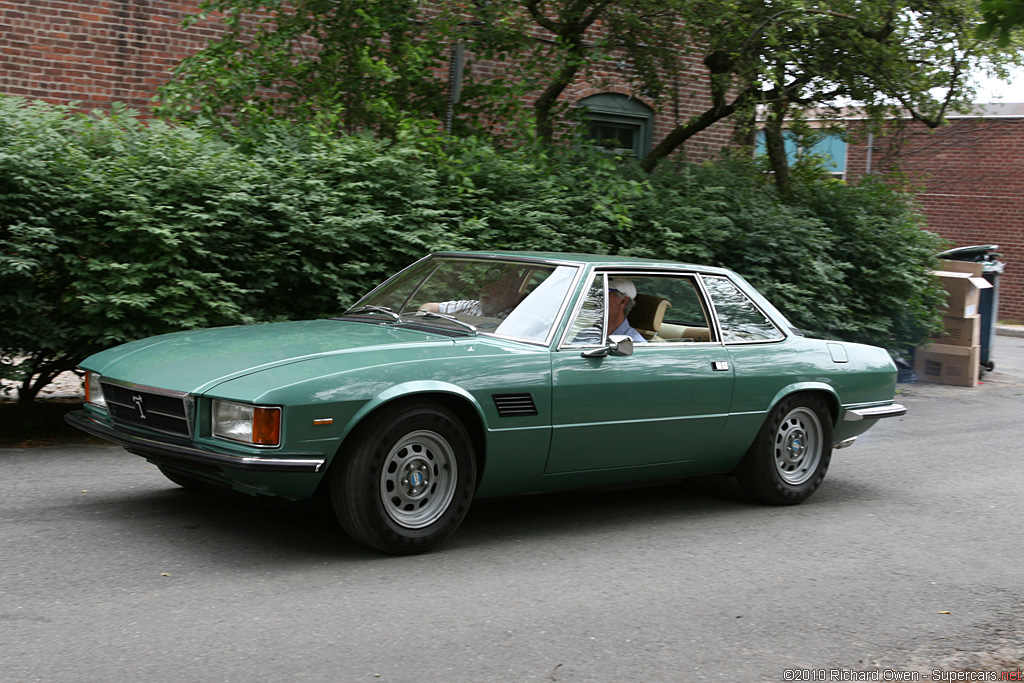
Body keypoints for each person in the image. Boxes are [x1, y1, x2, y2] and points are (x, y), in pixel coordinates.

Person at [607, 278, 647, 344]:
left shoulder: (635, 343)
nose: (597, 299)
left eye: (605, 294)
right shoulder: (591, 332)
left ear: (623, 301)